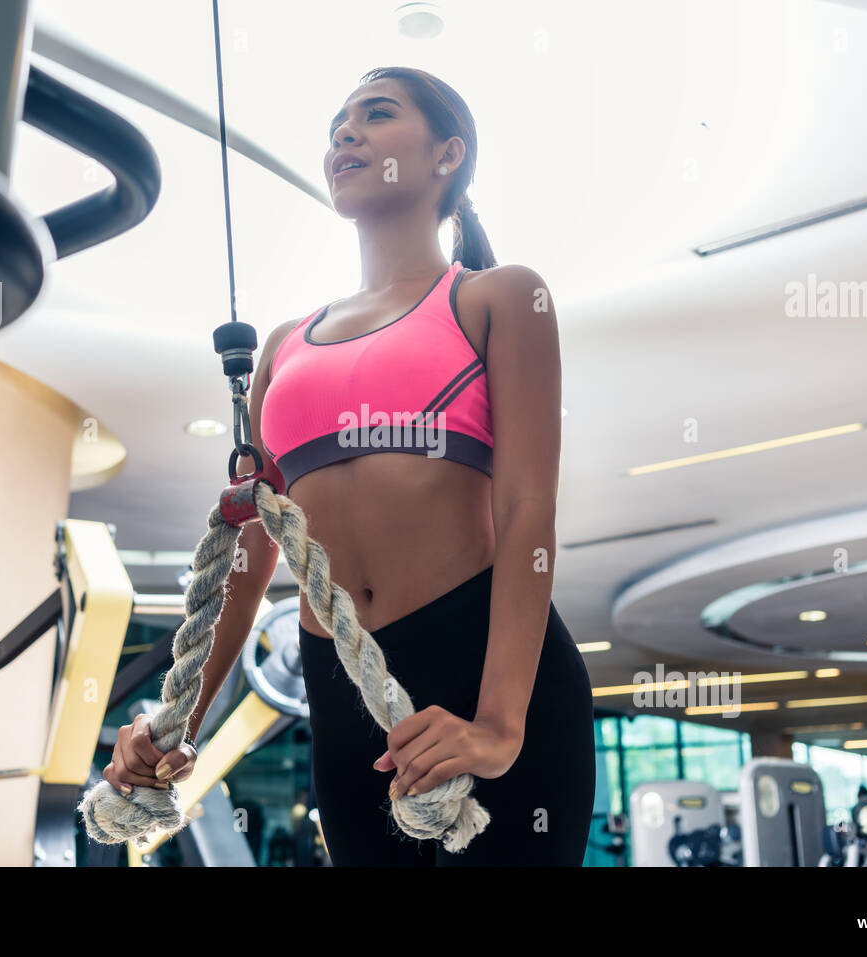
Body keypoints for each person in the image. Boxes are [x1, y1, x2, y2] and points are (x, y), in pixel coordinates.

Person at [104, 67, 594, 866]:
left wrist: (502, 721)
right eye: (337, 123)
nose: (345, 134)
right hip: (341, 680)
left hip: (485, 659)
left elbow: (528, 514)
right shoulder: (285, 344)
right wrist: (177, 720)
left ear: (447, 155)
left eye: (376, 114)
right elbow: (255, 551)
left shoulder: (498, 299)